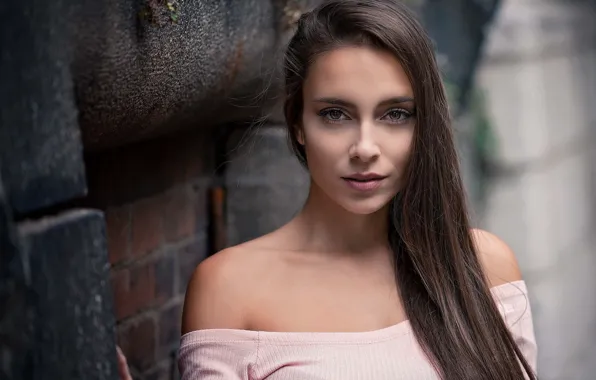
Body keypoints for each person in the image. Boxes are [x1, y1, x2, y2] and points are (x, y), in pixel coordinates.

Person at [177, 1, 538, 379]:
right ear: (297, 124)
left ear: (423, 126)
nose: (365, 147)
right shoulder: (229, 287)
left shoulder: (483, 268)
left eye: (395, 114)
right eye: (335, 114)